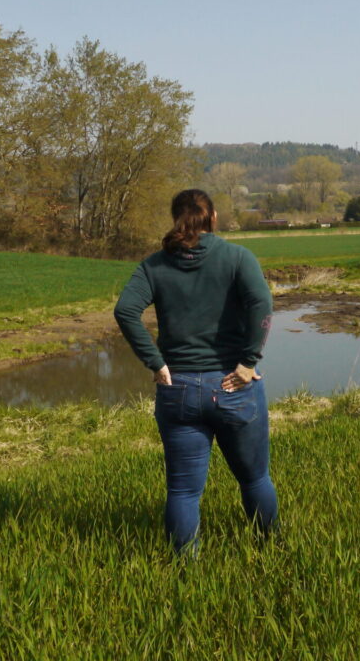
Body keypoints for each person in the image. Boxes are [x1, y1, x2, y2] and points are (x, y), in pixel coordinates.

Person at [114, 189, 277, 553]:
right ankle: (271, 549)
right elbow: (261, 303)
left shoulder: (154, 266)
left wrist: (155, 363)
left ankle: (185, 571)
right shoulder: (237, 257)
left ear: (176, 219)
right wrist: (249, 362)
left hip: (179, 389)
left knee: (184, 491)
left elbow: (125, 311)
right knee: (254, 479)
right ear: (213, 217)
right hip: (234, 386)